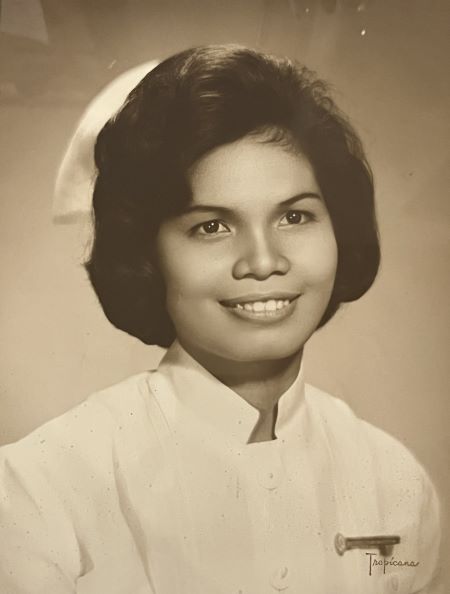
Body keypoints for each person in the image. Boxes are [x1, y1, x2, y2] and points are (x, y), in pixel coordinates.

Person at [0, 45, 442, 594]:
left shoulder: (392, 480)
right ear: (147, 254)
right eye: (212, 227)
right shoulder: (38, 489)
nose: (263, 261)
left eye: (295, 215)